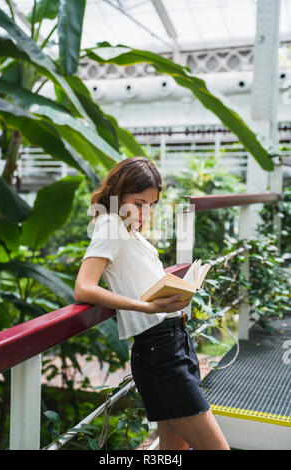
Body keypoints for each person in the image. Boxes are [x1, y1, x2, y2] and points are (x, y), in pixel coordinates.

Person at [74, 157, 230, 450]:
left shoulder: (129, 231)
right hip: (160, 351)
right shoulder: (109, 225)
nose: (146, 212)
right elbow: (83, 288)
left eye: (153, 205)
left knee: (174, 450)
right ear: (118, 195)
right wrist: (146, 307)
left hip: (176, 342)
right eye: (139, 202)